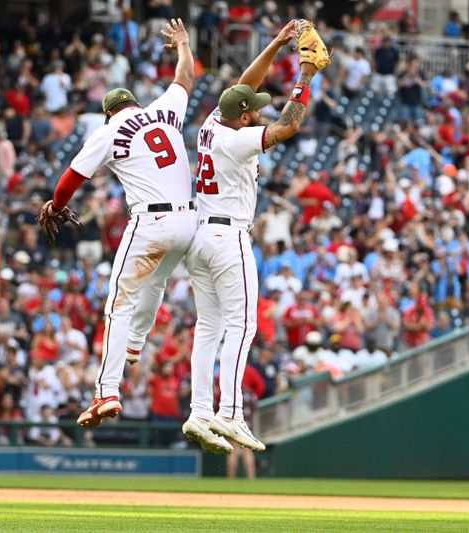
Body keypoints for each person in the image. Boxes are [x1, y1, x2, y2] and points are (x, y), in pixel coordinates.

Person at [41, 19, 198, 430]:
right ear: (135, 101)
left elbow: (71, 179)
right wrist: (183, 44)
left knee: (117, 307)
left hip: (151, 222)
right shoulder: (162, 110)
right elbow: (185, 76)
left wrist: (56, 206)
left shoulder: (109, 129)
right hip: (188, 223)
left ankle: (106, 391)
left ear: (109, 111)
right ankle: (134, 345)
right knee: (158, 280)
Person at [186, 19, 329, 455]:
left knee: (208, 328)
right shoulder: (239, 140)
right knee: (243, 326)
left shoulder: (212, 126)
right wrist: (305, 75)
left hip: (199, 238)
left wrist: (275, 44)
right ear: (246, 116)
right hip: (229, 238)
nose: (261, 109)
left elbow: (242, 86)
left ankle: (199, 411)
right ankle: (230, 411)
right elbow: (286, 127)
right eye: (256, 108)